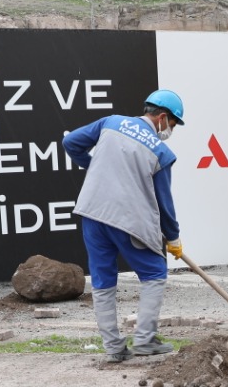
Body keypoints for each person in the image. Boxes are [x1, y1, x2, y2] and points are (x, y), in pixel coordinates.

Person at [61, 91, 185, 362]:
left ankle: (113, 347)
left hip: (92, 213)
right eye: (173, 124)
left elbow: (70, 142)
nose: (171, 130)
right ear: (163, 118)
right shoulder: (162, 152)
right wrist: (173, 237)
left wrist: (93, 166)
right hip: (128, 219)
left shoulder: (111, 122)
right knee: (155, 273)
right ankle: (145, 339)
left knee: (103, 279)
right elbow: (164, 203)